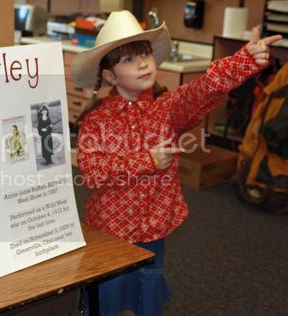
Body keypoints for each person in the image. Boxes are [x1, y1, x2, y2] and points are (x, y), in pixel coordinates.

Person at [71, 11, 281, 316]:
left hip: (153, 228)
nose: (142, 62)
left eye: (144, 54)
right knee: (107, 294)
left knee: (145, 291)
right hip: (110, 230)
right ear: (109, 76)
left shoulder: (167, 109)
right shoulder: (96, 120)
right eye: (128, 59)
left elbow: (202, 90)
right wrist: (147, 160)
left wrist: (243, 61)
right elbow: (90, 172)